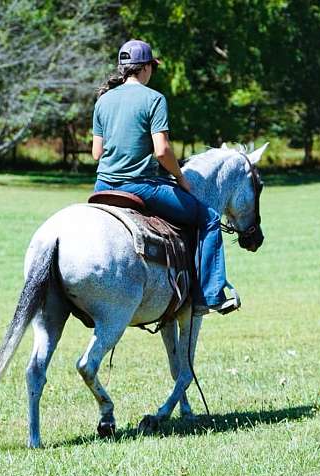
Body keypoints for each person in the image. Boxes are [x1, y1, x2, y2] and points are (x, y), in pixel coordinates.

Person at [92, 39, 238, 316]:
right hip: (139, 186)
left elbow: (96, 153)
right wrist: (180, 177)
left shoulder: (104, 100)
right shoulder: (154, 99)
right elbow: (162, 151)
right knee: (207, 218)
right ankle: (210, 294)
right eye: (152, 68)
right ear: (146, 68)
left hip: (102, 185)